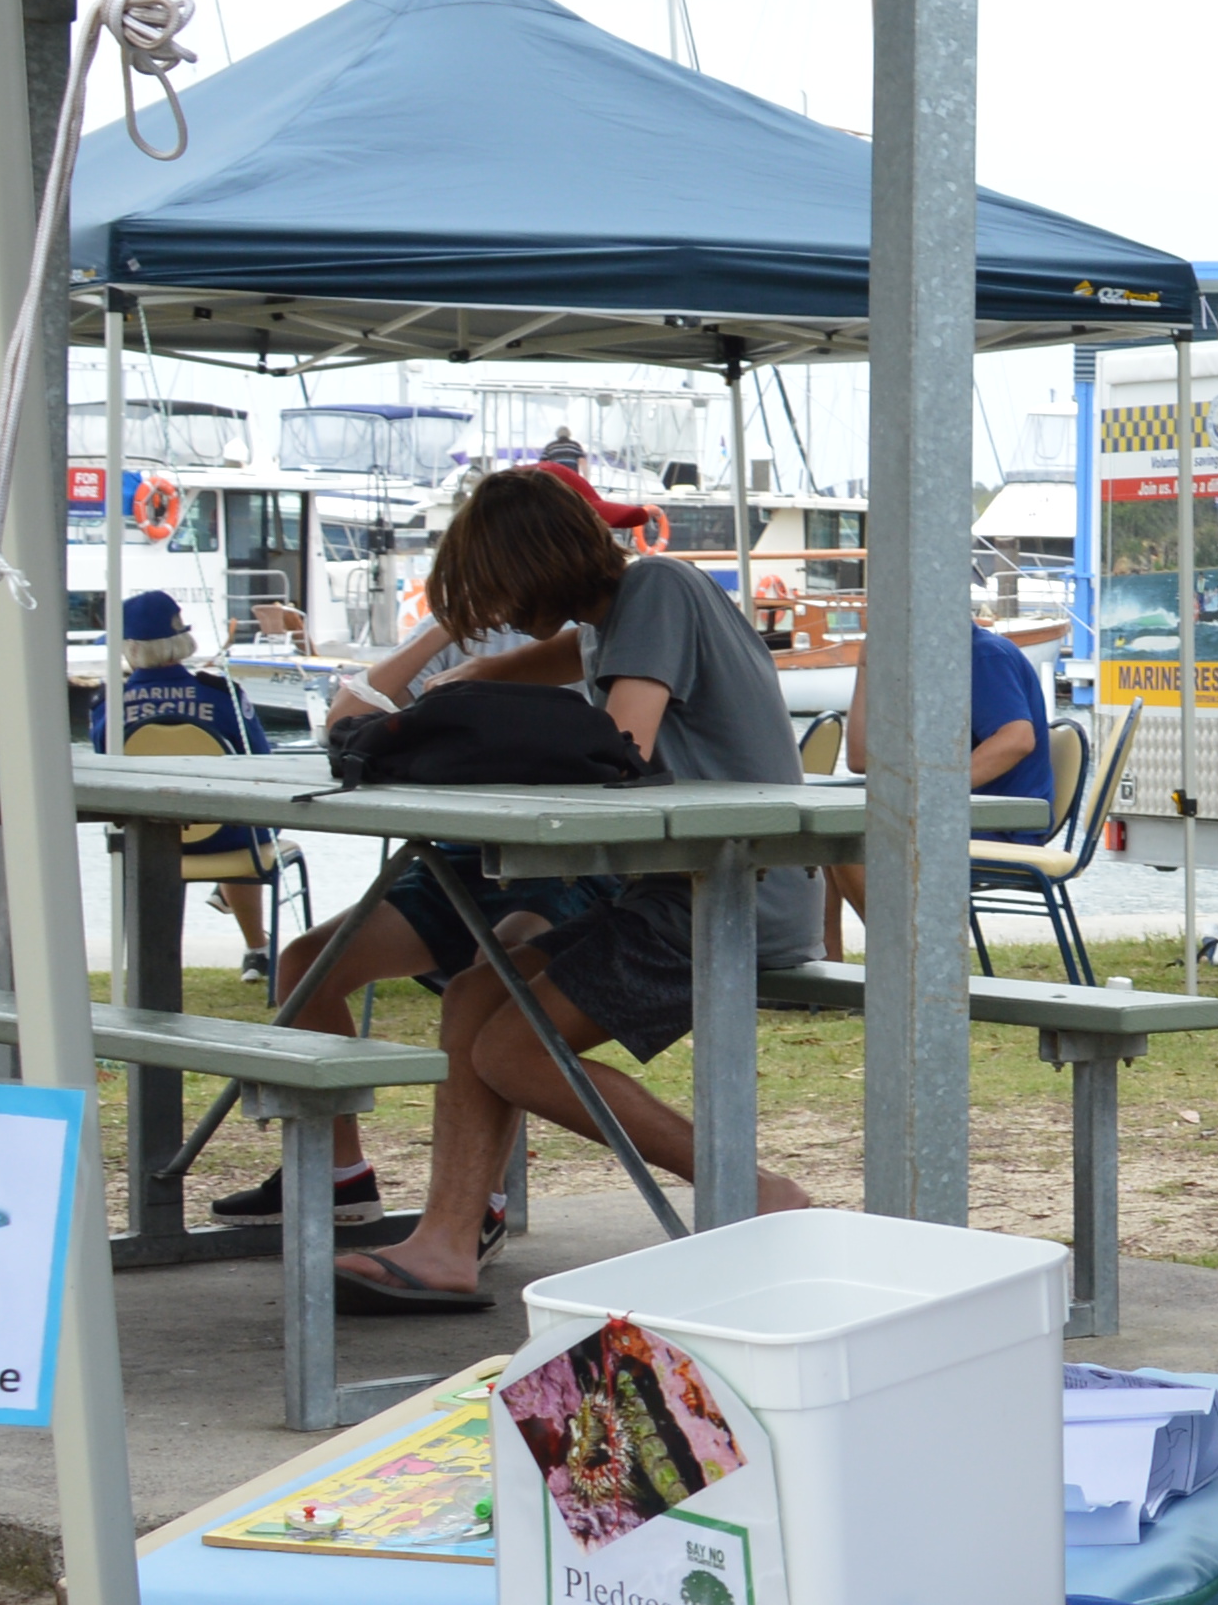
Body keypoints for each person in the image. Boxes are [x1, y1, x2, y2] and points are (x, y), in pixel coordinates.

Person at [335, 468, 830, 1310]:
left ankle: (754, 1193)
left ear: (538, 561)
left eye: (498, 590)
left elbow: (619, 750)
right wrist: (440, 674)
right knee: (471, 996)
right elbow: (479, 682)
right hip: (678, 893)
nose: (492, 614)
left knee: (510, 1048)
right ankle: (446, 1245)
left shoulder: (656, 590)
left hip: (731, 901)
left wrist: (470, 735)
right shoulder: (609, 625)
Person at [218, 471, 609, 1235]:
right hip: (459, 863)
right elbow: (348, 718)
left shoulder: (591, 633)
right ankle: (339, 1175)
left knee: (487, 983)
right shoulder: (476, 630)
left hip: (555, 868)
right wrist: (448, 625)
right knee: (305, 965)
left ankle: (477, 1204)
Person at [828, 618, 1056, 956]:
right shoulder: (925, 665)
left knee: (850, 841)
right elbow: (862, 759)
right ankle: (826, 974)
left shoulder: (982, 656)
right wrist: (866, 666)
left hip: (1000, 824)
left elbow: (1017, 739)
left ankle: (906, 967)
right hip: (952, 818)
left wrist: (933, 796)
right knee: (823, 840)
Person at [88, 587, 284, 971]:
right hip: (228, 839)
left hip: (143, 843)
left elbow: (106, 771)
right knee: (246, 816)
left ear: (129, 647)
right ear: (183, 638)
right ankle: (257, 952)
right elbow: (261, 763)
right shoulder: (221, 694)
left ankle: (150, 963)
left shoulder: (110, 705)